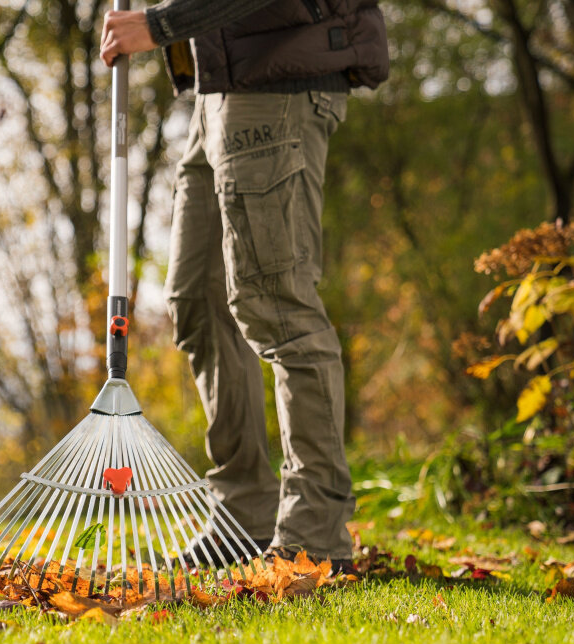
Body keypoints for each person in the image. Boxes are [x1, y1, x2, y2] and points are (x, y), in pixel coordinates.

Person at [100, 1, 388, 571]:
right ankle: (244, 514)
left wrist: (159, 26)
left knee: (277, 304)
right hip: (220, 86)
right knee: (197, 301)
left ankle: (315, 529)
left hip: (278, 81)